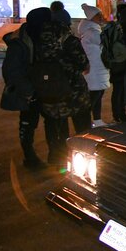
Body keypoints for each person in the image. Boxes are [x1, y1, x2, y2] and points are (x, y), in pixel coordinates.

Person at [34, 16, 91, 163]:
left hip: (50, 92)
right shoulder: (69, 40)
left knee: (54, 124)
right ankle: (84, 157)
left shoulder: (37, 42)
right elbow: (83, 63)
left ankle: (56, 157)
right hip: (75, 92)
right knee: (82, 127)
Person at [0, 7, 51, 168]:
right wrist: (28, 91)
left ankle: (55, 155)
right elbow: (11, 71)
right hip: (30, 92)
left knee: (51, 121)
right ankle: (29, 156)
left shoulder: (41, 36)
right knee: (28, 123)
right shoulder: (20, 42)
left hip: (44, 88)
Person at [78, 4, 110, 127]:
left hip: (98, 68)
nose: (101, 17)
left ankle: (97, 120)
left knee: (98, 93)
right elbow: (106, 43)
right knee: (94, 96)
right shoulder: (92, 32)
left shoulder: (93, 30)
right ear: (91, 17)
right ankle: (85, 122)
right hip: (94, 69)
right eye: (98, 15)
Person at [108, 3, 126, 122]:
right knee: (119, 90)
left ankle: (120, 113)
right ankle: (118, 114)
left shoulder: (117, 26)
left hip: (117, 62)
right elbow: (119, 45)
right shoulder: (119, 27)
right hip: (119, 62)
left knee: (120, 89)